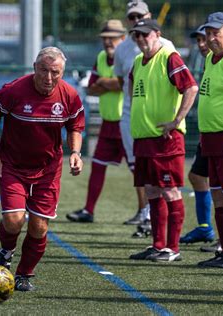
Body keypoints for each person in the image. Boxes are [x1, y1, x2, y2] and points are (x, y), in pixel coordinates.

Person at [0, 47, 85, 291]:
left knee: (39, 227)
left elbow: (75, 125)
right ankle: (6, 253)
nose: (49, 77)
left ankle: (24, 274)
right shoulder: (14, 90)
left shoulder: (69, 95)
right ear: (34, 67)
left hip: (48, 170)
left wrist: (76, 153)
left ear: (63, 72)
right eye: (44, 70)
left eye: (55, 72)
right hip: (13, 166)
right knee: (13, 221)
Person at [127, 19, 198, 262]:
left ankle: (173, 248)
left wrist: (176, 120)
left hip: (166, 139)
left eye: (144, 35)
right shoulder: (138, 62)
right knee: (152, 191)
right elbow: (131, 87)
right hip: (145, 138)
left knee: (170, 191)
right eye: (136, 35)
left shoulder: (169, 56)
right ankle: (158, 245)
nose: (140, 39)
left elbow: (190, 88)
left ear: (157, 34)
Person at [113, 0, 175, 229]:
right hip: (131, 115)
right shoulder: (123, 49)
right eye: (132, 18)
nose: (137, 21)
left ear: (149, 16)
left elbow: (181, 83)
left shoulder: (167, 45)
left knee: (162, 175)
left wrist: (174, 118)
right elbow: (123, 80)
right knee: (138, 168)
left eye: (140, 16)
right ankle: (146, 213)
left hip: (159, 119)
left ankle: (158, 223)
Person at [66, 20, 126, 223]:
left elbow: (125, 84)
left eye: (113, 37)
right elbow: (91, 88)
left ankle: (144, 214)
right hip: (108, 122)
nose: (108, 41)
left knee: (139, 171)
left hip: (128, 123)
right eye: (105, 38)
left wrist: (103, 82)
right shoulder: (101, 57)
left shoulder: (129, 57)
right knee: (97, 167)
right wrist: (108, 84)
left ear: (123, 38)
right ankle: (88, 210)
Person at [196, 12, 223, 269]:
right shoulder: (210, 58)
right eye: (208, 33)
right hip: (210, 139)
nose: (210, 38)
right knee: (218, 196)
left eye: (216, 33)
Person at [179, 25, 217, 248]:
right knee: (196, 176)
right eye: (200, 40)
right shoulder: (209, 61)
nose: (202, 44)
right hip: (209, 134)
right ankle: (205, 227)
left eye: (206, 39)